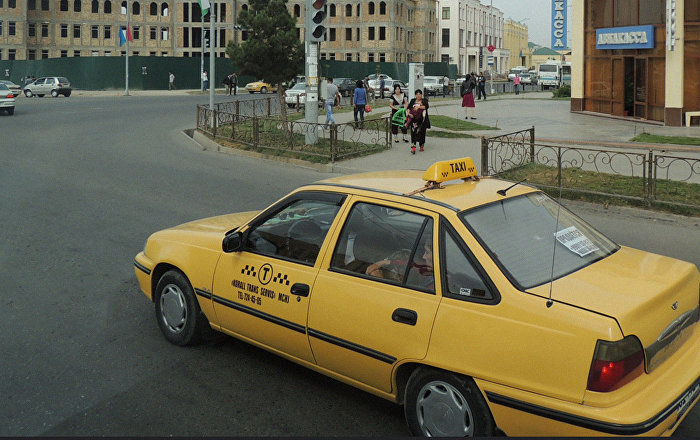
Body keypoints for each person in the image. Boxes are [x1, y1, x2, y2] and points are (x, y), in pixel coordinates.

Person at [406, 89, 430, 154]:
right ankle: (413, 147)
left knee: (422, 133)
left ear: (421, 95)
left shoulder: (424, 100)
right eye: (417, 94)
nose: (418, 95)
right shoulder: (413, 100)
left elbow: (426, 106)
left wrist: (418, 106)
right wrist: (409, 114)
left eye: (420, 94)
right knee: (413, 133)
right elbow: (408, 108)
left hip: (422, 121)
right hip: (414, 120)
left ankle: (421, 146)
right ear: (415, 95)